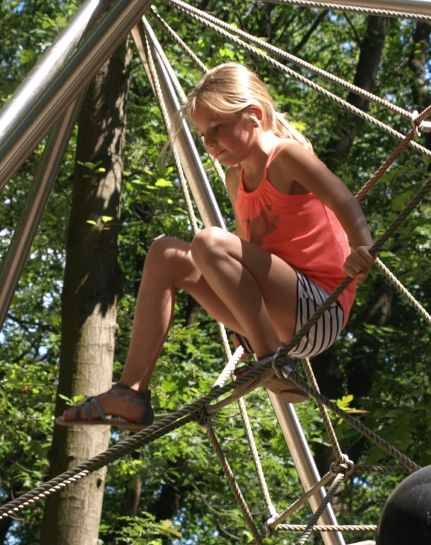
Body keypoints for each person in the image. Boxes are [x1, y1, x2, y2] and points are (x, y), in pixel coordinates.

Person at [58, 62, 375, 431]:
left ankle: (272, 360)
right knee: (165, 252)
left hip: (319, 309)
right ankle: (131, 393)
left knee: (208, 240)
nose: (208, 142)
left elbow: (343, 200)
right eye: (203, 134)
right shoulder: (235, 178)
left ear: (253, 116)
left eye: (217, 129)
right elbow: (247, 255)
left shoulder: (285, 157)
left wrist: (361, 245)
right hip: (278, 312)